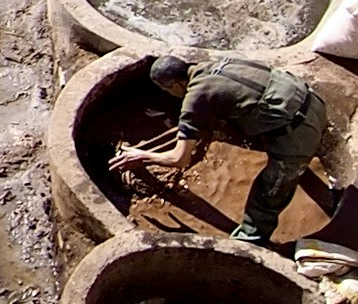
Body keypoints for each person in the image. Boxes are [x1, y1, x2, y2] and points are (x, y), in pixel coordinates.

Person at [121, 53, 334, 242]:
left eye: (166, 90)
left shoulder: (196, 96)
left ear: (174, 85)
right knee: (238, 125)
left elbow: (179, 159)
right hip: (314, 104)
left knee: (267, 194)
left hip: (300, 133)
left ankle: (248, 242)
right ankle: (299, 161)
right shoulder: (218, 64)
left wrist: (142, 155)